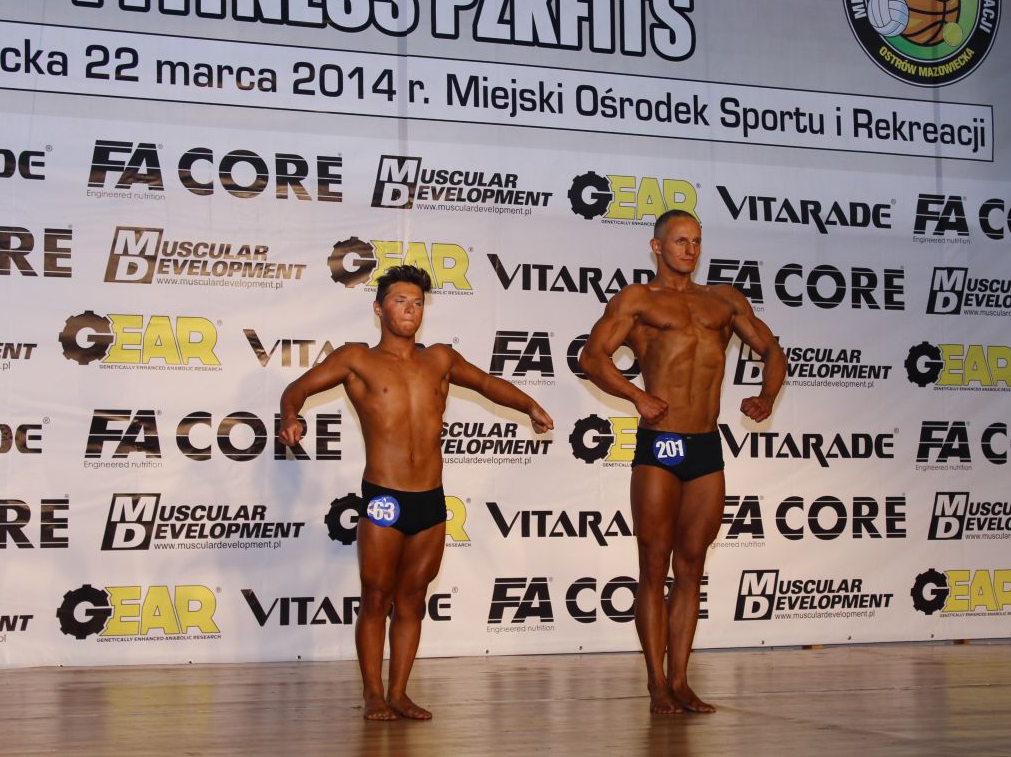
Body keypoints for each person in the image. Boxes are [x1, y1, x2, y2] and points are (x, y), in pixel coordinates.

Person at [278, 265, 553, 721]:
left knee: (412, 601)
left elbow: (487, 384)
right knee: (376, 596)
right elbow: (297, 389)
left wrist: (529, 405)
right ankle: (373, 694)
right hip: (384, 496)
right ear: (378, 308)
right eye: (400, 301)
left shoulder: (440, 359)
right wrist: (291, 416)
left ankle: (399, 693)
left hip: (429, 499)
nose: (410, 310)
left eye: (418, 302)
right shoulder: (356, 359)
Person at [579, 210, 786, 714]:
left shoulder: (724, 301)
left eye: (696, 241)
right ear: (657, 247)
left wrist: (766, 396)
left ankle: (681, 680)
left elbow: (772, 350)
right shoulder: (638, 300)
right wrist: (636, 396)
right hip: (660, 444)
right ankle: (656, 683)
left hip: (705, 446)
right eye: (679, 241)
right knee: (654, 565)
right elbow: (591, 356)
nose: (689, 250)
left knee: (691, 566)